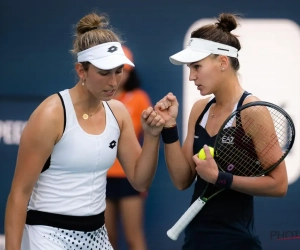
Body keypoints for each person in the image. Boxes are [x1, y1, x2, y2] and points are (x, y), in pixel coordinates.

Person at [4, 12, 165, 250]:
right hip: (46, 237)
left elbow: (140, 181)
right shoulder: (51, 114)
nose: (113, 82)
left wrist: (152, 137)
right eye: (104, 72)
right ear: (81, 71)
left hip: (96, 237)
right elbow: (19, 193)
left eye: (118, 71)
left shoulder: (118, 113)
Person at [155, 13, 288, 250]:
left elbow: (278, 185)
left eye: (197, 66)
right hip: (196, 239)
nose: (191, 76)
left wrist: (220, 179)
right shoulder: (199, 109)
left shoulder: (253, 112)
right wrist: (169, 127)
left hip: (237, 242)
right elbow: (181, 180)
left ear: (223, 62)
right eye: (189, 68)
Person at [105, 46, 150, 250]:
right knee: (107, 238)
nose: (119, 76)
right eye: (114, 69)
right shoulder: (97, 98)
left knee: (134, 237)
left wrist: (143, 177)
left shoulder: (140, 98)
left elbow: (148, 138)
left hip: (129, 176)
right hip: (101, 176)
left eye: (123, 70)